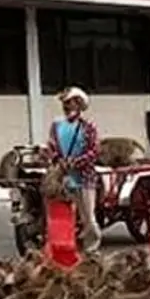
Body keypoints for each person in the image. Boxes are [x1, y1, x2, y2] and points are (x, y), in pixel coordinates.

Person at [47, 86, 102, 254]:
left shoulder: (88, 127)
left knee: (87, 216)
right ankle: (64, 245)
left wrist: (76, 162)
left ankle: (91, 249)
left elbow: (94, 151)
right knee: (62, 214)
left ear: (79, 104)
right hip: (63, 176)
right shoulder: (56, 126)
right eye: (64, 102)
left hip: (84, 178)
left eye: (70, 102)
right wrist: (58, 160)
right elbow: (52, 146)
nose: (66, 106)